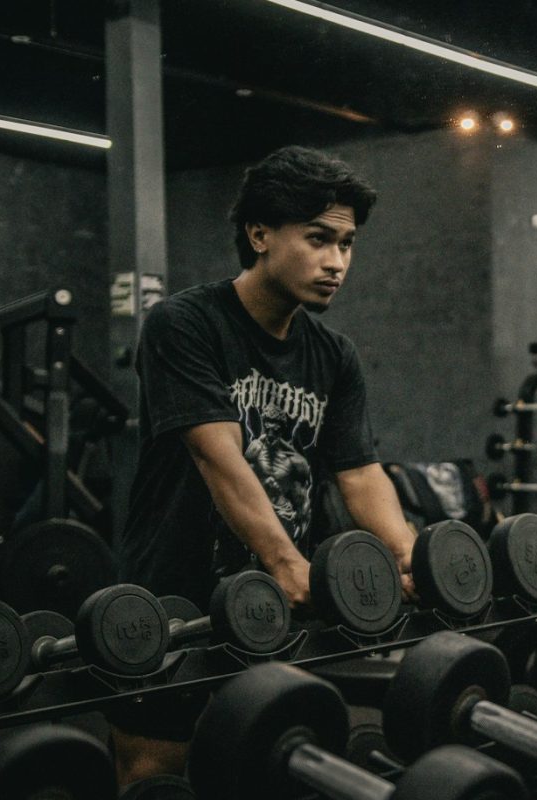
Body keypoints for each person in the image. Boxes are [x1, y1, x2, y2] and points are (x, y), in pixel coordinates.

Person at [111, 145, 418, 785]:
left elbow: (359, 472)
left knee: (261, 757)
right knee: (156, 769)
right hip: (175, 594)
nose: (336, 262)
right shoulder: (184, 324)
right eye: (317, 239)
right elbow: (216, 454)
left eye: (347, 244)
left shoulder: (334, 354)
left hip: (273, 605)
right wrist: (288, 565)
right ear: (259, 235)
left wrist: (410, 557)